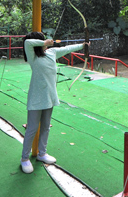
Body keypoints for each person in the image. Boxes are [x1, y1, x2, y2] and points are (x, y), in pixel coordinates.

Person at [20, 32, 89, 174]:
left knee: (46, 127)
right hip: (36, 98)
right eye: (43, 39)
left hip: (50, 97)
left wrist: (83, 45)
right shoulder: (33, 56)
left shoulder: (52, 52)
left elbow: (67, 49)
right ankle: (24, 159)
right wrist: (44, 42)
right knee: (32, 128)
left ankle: (42, 154)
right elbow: (27, 42)